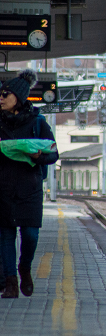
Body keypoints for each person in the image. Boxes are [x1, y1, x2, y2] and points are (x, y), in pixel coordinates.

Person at [0, 69, 58, 298]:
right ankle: (11, 282)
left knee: (30, 235)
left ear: (19, 97)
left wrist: (39, 156)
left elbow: (53, 153)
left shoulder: (37, 122)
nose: (1, 98)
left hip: (30, 189)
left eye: (5, 94)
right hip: (3, 188)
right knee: (6, 236)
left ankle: (24, 268)